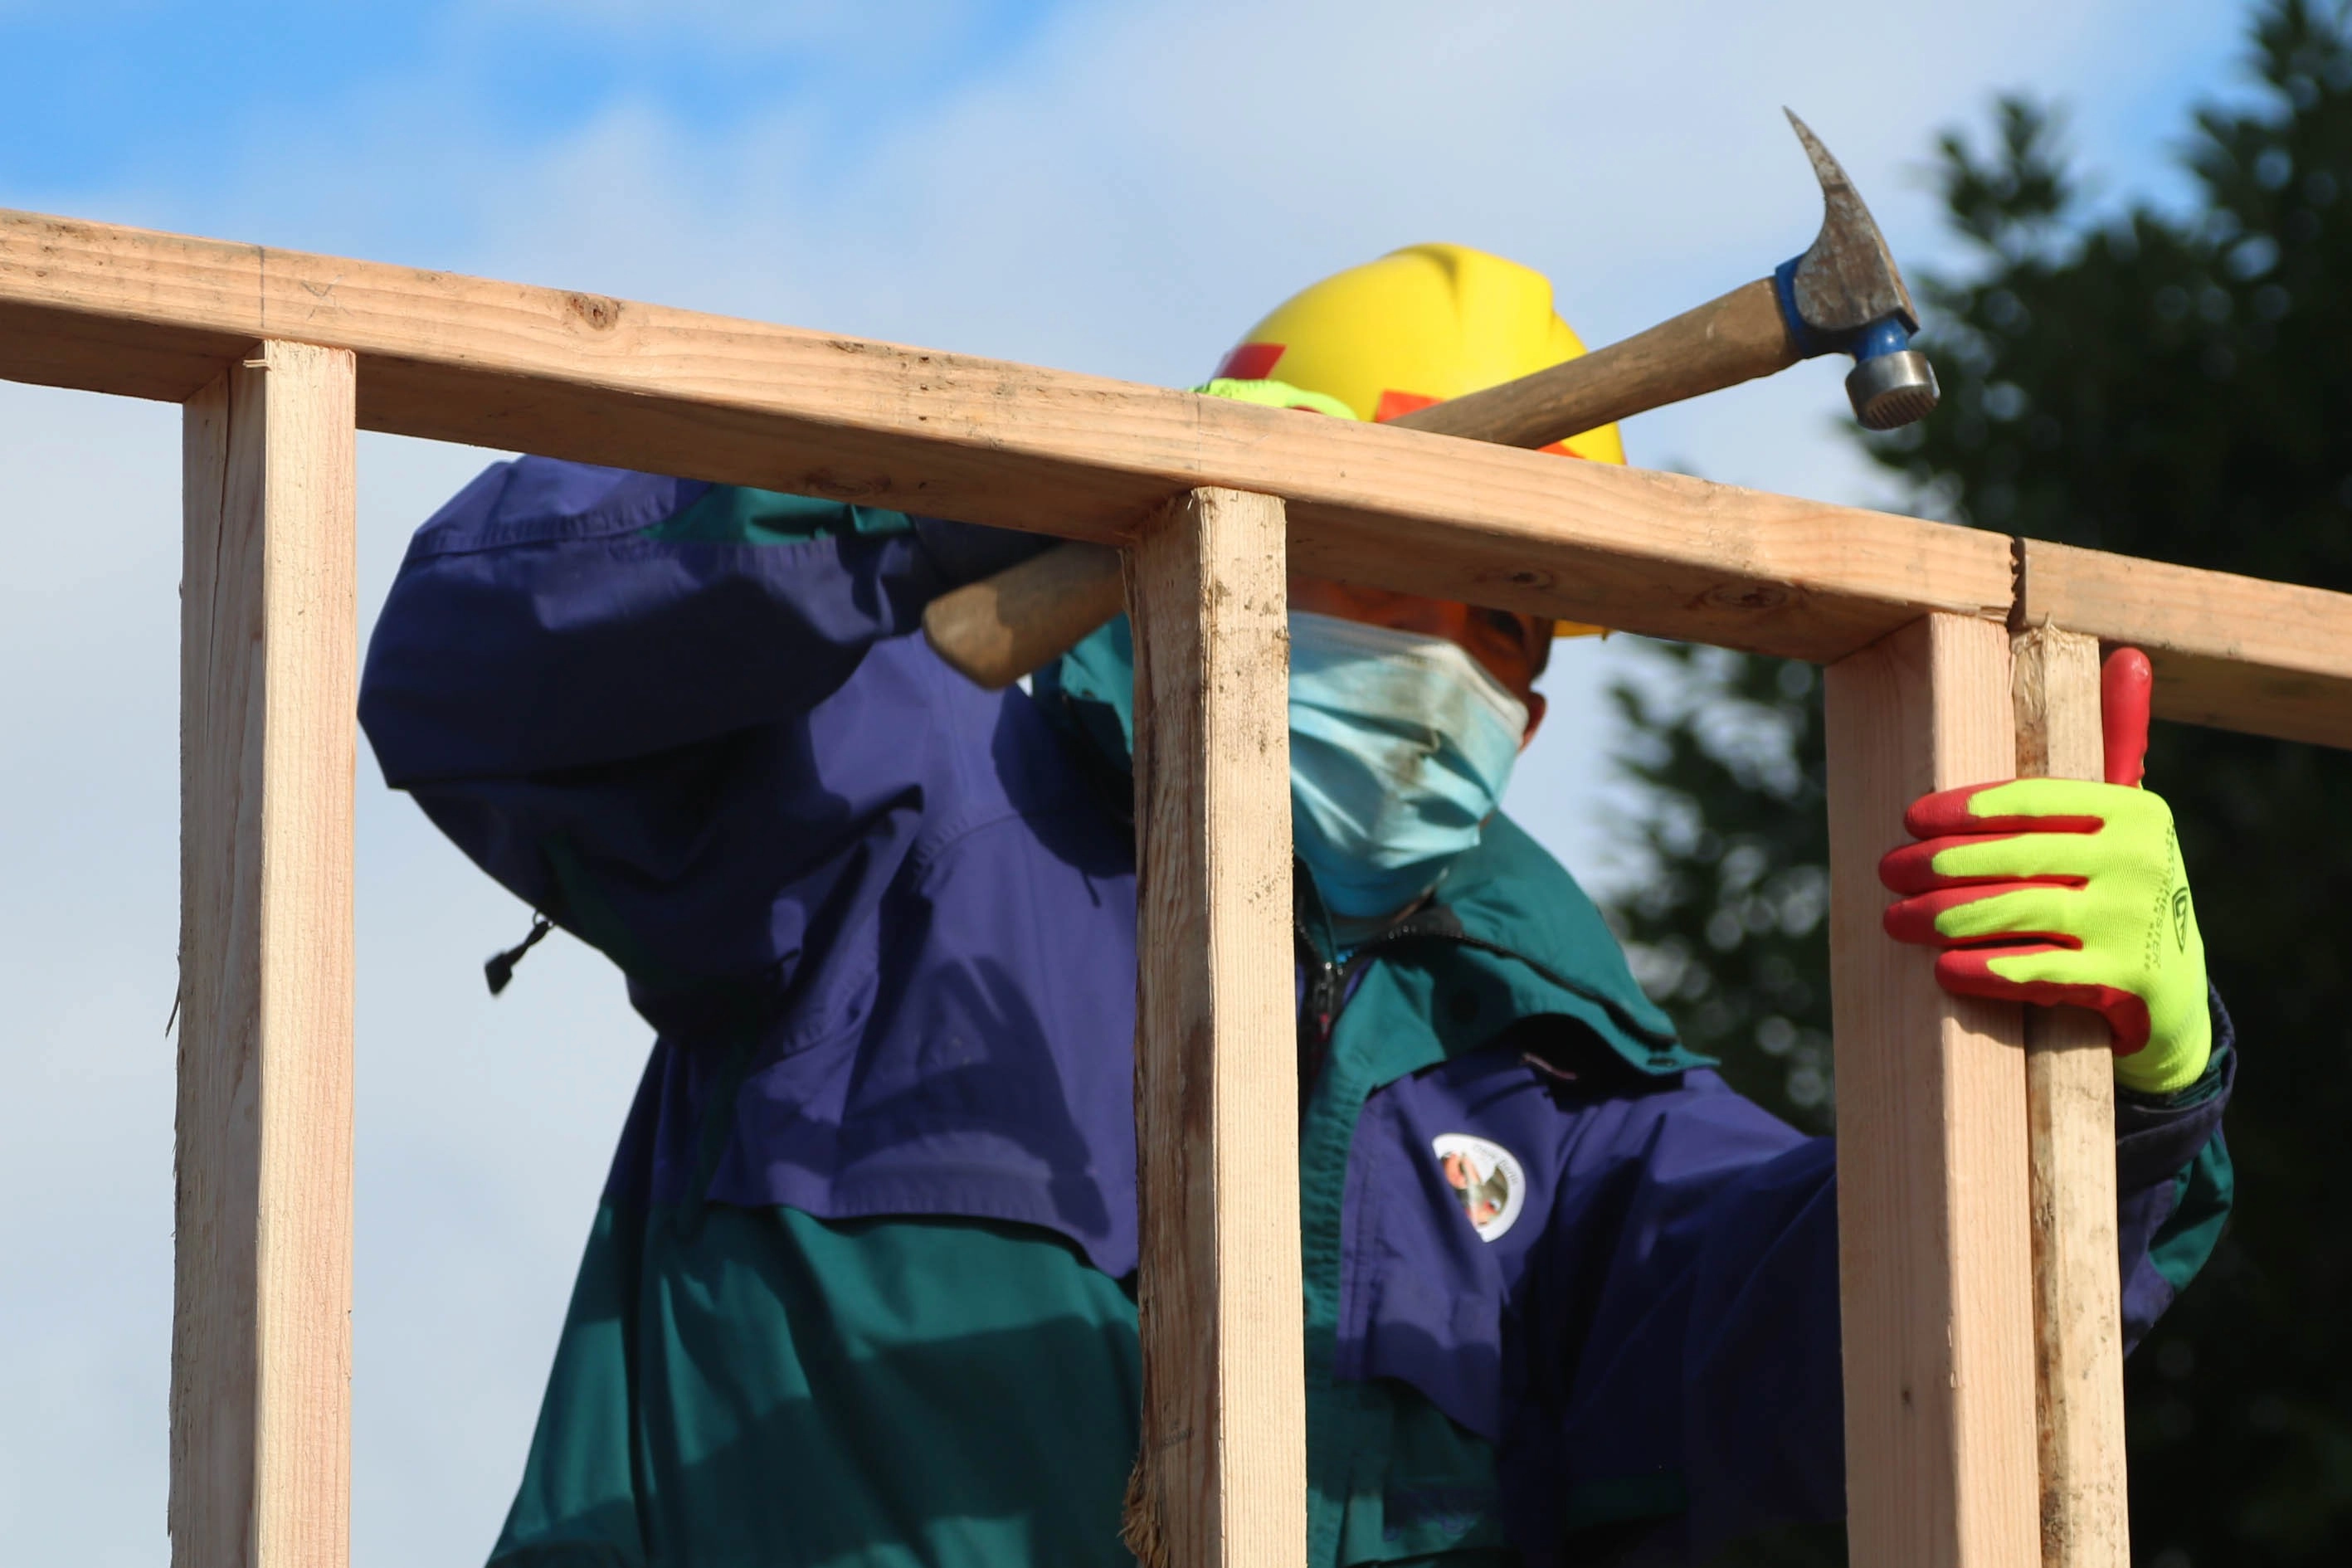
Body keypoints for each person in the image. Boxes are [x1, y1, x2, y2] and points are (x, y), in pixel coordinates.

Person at [358, 243, 2233, 1567]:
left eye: (1506, 615)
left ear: (1539, 702)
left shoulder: (1561, 1091)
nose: (1442, 650)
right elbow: (474, 664)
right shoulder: (910, 803)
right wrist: (938, 488)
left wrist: (2112, 1108)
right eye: (1384, 557)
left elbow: (1877, 1361)